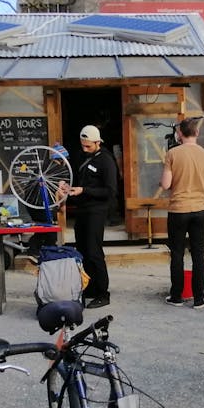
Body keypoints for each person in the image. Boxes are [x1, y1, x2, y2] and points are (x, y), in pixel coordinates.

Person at [58, 125, 118, 309]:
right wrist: (67, 186)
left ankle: (103, 292)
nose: (84, 149)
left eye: (88, 146)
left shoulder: (106, 160)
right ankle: (90, 287)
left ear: (97, 142)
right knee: (82, 251)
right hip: (82, 210)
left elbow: (110, 191)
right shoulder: (83, 157)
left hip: (97, 211)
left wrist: (85, 190)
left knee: (94, 252)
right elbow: (79, 182)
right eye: (83, 145)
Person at [160, 118, 204, 309]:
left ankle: (176, 296)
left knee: (177, 254)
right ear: (196, 133)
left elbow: (166, 184)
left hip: (178, 209)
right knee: (198, 254)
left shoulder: (172, 153)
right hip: (200, 209)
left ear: (179, 134)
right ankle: (199, 298)